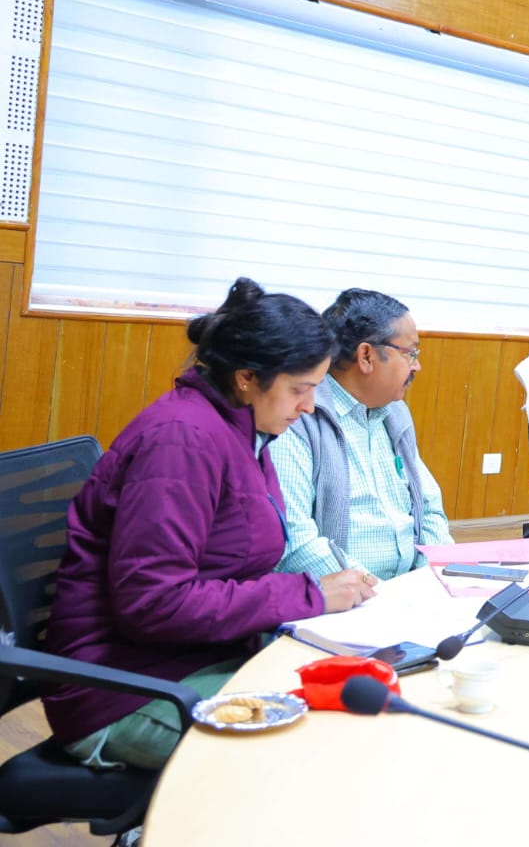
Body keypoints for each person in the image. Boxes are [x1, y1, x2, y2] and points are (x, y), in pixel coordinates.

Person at [44, 279, 375, 769]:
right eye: (299, 390)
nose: (308, 407)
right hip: (123, 690)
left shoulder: (242, 429)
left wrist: (309, 596)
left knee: (349, 712)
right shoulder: (182, 441)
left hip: (193, 660)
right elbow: (153, 602)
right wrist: (307, 595)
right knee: (314, 758)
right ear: (247, 378)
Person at [275, 289, 454, 581]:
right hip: (348, 598)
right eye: (410, 353)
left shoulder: (394, 413)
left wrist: (430, 577)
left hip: (410, 591)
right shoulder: (299, 417)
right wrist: (379, 594)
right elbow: (296, 541)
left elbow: (431, 508)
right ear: (367, 356)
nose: (417, 366)